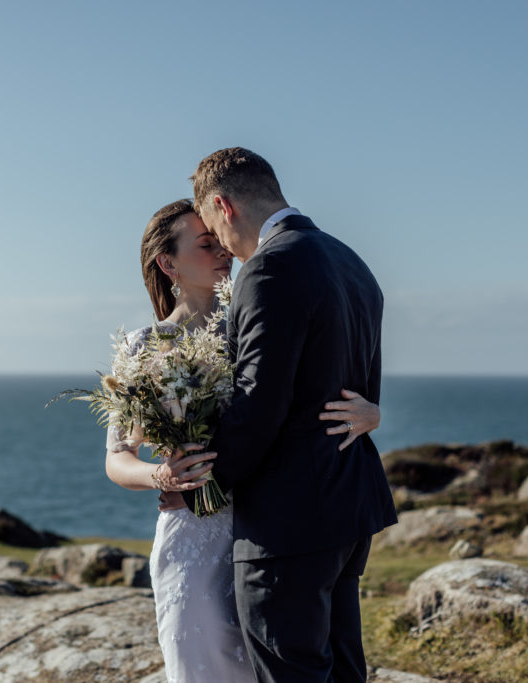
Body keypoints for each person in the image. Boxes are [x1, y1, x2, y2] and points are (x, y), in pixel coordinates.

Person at [103, 198, 382, 683]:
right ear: (167, 263)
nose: (222, 252)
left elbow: (308, 393)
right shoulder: (144, 346)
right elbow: (116, 457)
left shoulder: (256, 321)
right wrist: (160, 475)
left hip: (266, 529)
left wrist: (373, 411)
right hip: (191, 531)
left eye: (219, 241)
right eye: (205, 244)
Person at [179, 148, 398, 682]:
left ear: (222, 206)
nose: (222, 246)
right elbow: (361, 394)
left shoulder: (269, 267)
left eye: (211, 225)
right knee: (345, 670)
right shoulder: (351, 261)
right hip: (348, 507)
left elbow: (259, 403)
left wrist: (201, 484)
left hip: (289, 519)